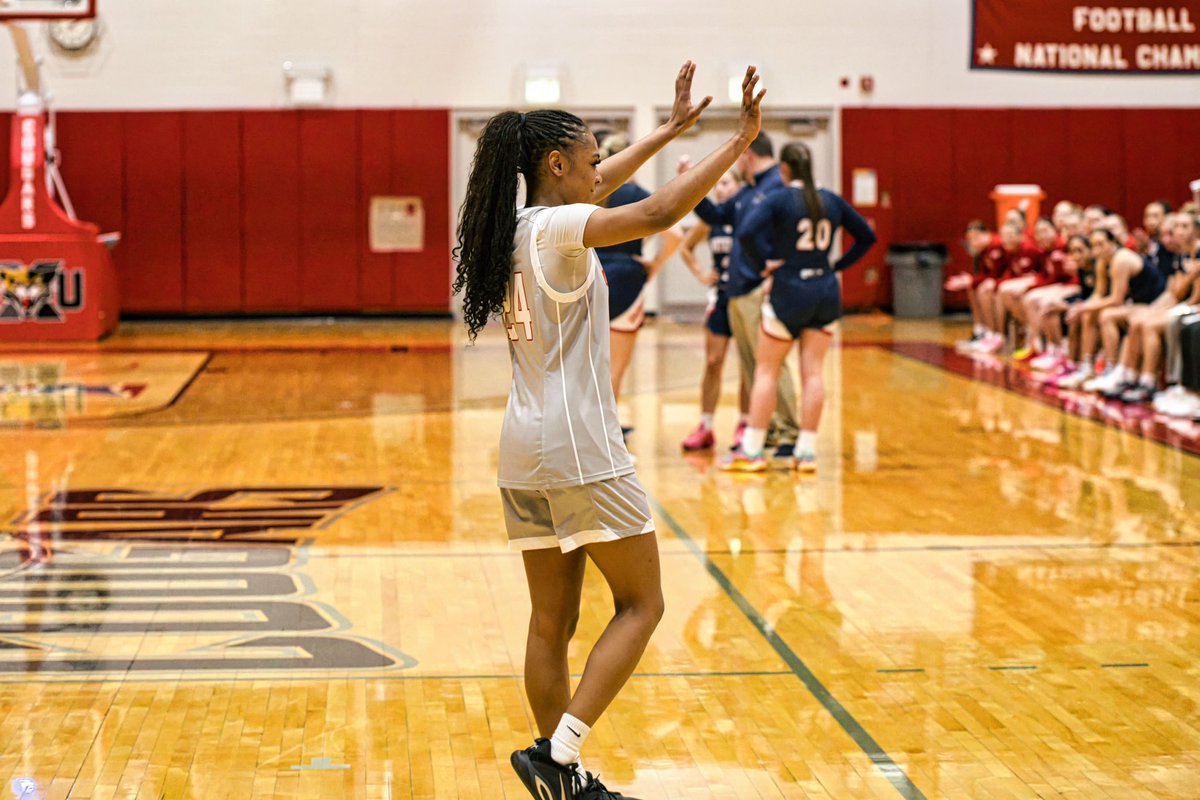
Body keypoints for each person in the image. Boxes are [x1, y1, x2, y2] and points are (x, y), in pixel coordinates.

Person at [452, 61, 765, 800]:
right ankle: (560, 756)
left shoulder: (516, 227)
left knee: (550, 621)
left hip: (522, 448)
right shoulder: (563, 229)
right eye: (593, 161)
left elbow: (605, 180)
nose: (603, 173)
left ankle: (561, 774)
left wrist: (673, 128)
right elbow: (654, 215)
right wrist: (736, 143)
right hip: (582, 445)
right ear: (557, 166)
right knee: (643, 603)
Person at [718, 141, 876, 472]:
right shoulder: (830, 200)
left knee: (766, 370)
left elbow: (745, 233)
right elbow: (866, 237)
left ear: (785, 168)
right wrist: (837, 265)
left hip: (789, 289)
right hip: (825, 290)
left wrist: (766, 263)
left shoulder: (780, 198)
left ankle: (752, 450)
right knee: (814, 372)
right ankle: (806, 453)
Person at [693, 131, 801, 465]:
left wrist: (777, 273)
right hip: (737, 290)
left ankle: (790, 431)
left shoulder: (776, 189)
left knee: (771, 364)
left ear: (748, 154)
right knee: (753, 366)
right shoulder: (749, 191)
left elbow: (791, 236)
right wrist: (690, 185)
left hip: (759, 288)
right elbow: (715, 216)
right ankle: (766, 426)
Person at [594, 133, 683, 410]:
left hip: (589, 277)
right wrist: (654, 266)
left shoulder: (588, 193)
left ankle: (579, 435)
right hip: (627, 280)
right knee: (615, 371)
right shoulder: (636, 193)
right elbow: (676, 235)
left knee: (582, 367)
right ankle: (609, 436)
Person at [677, 169, 750, 451]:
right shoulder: (712, 221)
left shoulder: (748, 215)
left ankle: (745, 424)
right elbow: (686, 247)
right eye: (716, 184)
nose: (720, 189)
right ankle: (706, 426)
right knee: (713, 362)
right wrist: (701, 273)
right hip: (720, 298)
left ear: (739, 187)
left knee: (747, 364)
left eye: (726, 183)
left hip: (745, 297)